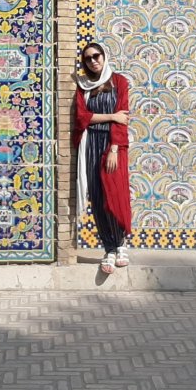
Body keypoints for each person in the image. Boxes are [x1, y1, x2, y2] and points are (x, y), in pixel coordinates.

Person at [72, 41, 133, 274]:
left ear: (104, 56)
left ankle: (120, 243)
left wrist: (115, 148)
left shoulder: (119, 82)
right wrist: (112, 116)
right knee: (97, 196)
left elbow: (124, 117)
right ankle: (108, 248)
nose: (93, 61)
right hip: (91, 145)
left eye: (96, 56)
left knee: (113, 194)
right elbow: (82, 118)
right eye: (87, 58)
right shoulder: (84, 86)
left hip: (113, 146)